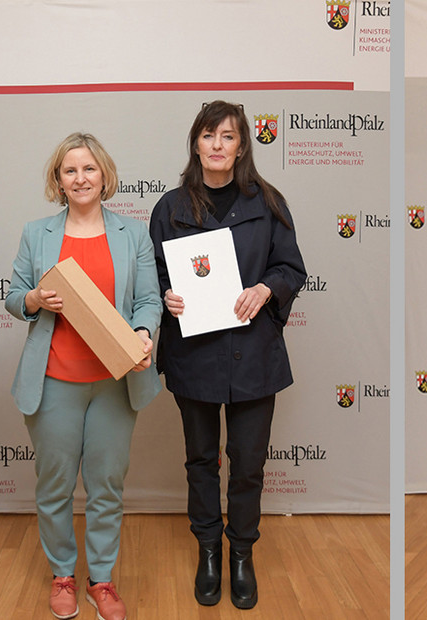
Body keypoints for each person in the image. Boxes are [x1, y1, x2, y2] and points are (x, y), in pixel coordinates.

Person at [148, 100, 306, 610]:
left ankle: (242, 553)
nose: (218, 145)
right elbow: (153, 277)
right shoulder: (169, 207)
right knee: (200, 461)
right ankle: (209, 550)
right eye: (209, 135)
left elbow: (291, 269)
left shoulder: (269, 201)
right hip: (195, 355)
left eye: (229, 136)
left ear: (242, 146)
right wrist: (166, 296)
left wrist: (266, 289)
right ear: (196, 142)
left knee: (248, 463)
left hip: (255, 356)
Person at [5, 133, 160, 620]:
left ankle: (103, 581)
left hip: (115, 381)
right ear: (58, 180)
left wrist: (142, 333)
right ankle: (63, 576)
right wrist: (33, 301)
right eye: (70, 170)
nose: (81, 177)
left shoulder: (133, 234)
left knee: (107, 485)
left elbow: (149, 301)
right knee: (54, 486)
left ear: (104, 175)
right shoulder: (37, 234)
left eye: (89, 168)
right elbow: (13, 296)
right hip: (54, 380)